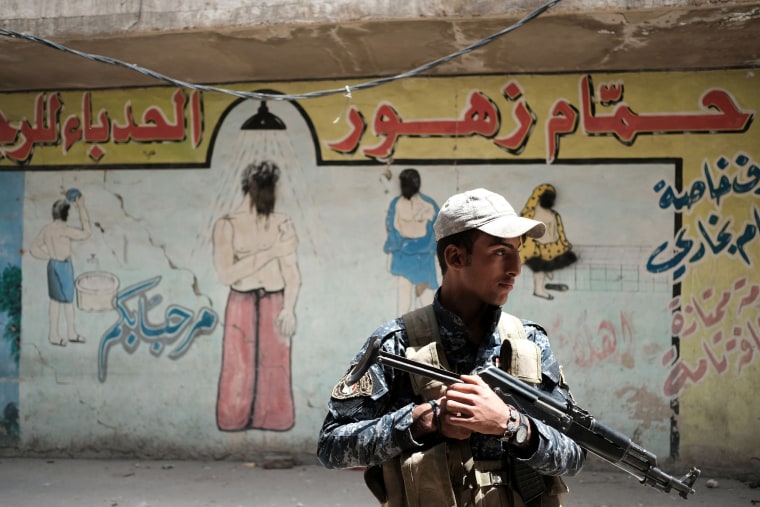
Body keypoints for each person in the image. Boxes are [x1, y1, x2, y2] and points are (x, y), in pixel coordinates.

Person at [317, 188, 585, 507]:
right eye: (500, 252)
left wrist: (511, 424)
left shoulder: (529, 341)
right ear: (456, 257)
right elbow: (331, 446)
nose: (516, 266)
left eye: (517, 250)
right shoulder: (396, 343)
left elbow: (575, 453)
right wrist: (424, 421)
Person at [212, 160, 301, 431]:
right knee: (237, 364)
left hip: (276, 300)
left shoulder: (281, 222)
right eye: (267, 190)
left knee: (276, 364)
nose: (272, 197)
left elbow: (292, 272)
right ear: (252, 188)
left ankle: (274, 419)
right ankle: (232, 419)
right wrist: (270, 252)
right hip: (240, 302)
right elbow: (227, 275)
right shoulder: (227, 225)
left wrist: (289, 308)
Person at [30, 191, 91, 346]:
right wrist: (81, 208)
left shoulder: (47, 229)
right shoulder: (64, 229)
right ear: (66, 215)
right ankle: (67, 333)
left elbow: (34, 248)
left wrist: (49, 257)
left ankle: (56, 335)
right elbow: (87, 233)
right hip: (63, 265)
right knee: (67, 301)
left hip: (53, 265)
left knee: (55, 301)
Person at [383, 168, 439, 313]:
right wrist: (401, 246)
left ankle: (433, 332)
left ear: (416, 184)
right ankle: (401, 331)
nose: (403, 187)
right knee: (404, 300)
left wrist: (424, 247)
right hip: (403, 258)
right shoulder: (396, 204)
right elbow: (391, 228)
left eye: (406, 184)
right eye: (402, 184)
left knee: (427, 299)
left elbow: (437, 230)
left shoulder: (428, 204)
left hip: (423, 258)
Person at [519, 184, 577, 300]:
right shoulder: (533, 215)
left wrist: (559, 244)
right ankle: (538, 290)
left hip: (551, 246)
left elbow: (557, 231)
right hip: (536, 248)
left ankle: (546, 274)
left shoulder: (552, 214)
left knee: (550, 261)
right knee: (539, 268)